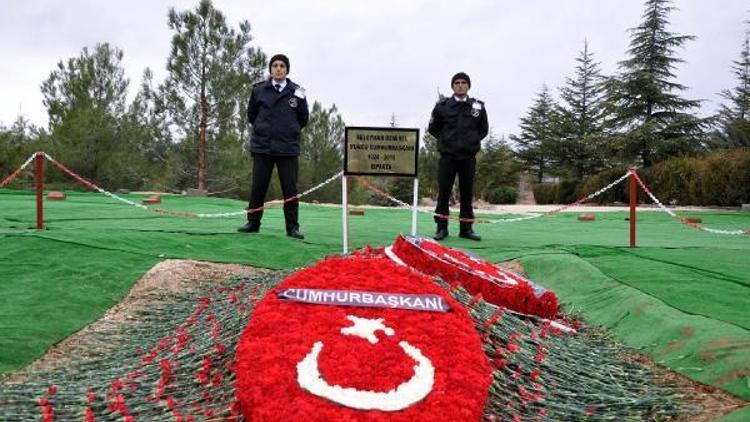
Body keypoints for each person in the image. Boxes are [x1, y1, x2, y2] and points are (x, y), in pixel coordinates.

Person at [238, 54, 309, 239]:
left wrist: (289, 130)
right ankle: (253, 223)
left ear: (287, 70)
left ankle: (292, 227)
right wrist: (265, 130)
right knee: (258, 187)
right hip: (263, 146)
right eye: (275, 65)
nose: (278, 69)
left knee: (290, 190)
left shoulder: (298, 92)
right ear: (270, 69)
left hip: (287, 148)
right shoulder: (259, 90)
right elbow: (252, 115)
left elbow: (303, 118)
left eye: (282, 66)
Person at [427, 72, 488, 241]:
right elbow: (433, 128)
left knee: (467, 193)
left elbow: (483, 130)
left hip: (468, 157)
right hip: (448, 156)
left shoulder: (478, 107)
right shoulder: (442, 106)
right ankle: (441, 227)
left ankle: (466, 228)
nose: (460, 85)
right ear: (452, 86)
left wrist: (471, 142)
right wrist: (447, 140)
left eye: (463, 83)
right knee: (444, 193)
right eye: (457, 83)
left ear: (468, 86)